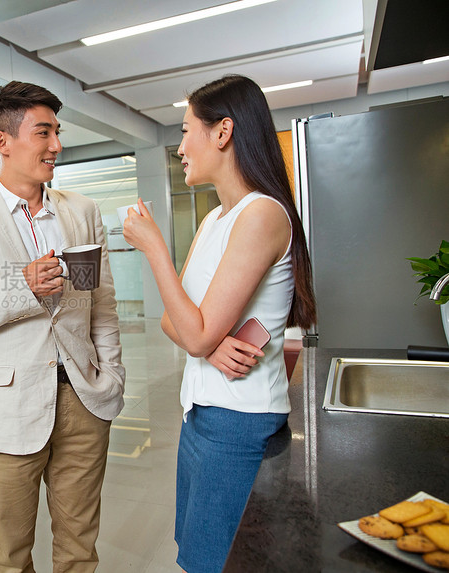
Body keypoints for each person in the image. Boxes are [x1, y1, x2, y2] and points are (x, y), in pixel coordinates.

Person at [0, 81, 126, 572]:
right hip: (10, 409)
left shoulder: (81, 212)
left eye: (57, 132)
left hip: (83, 399)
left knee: (80, 545)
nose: (56, 145)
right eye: (44, 132)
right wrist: (20, 289)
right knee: (12, 555)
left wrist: (112, 375)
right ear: (4, 141)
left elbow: (99, 302)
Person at [122, 74, 316, 573]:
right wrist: (206, 345)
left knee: (220, 562)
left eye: (187, 130)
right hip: (201, 415)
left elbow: (196, 329)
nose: (180, 146)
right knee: (197, 554)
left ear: (223, 132)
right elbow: (175, 321)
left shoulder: (262, 215)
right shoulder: (214, 219)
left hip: (240, 423)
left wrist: (154, 249)